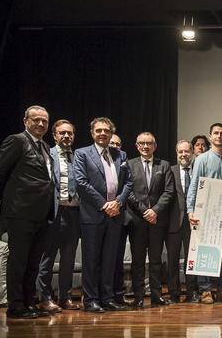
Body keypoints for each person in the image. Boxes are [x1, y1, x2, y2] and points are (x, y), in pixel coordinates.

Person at [0, 105, 56, 318]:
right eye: (36, 120)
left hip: (41, 213)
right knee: (19, 260)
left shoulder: (45, 146)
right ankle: (16, 305)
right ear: (26, 121)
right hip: (20, 212)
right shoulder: (17, 141)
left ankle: (29, 301)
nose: (41, 124)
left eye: (44, 121)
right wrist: (0, 199)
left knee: (33, 262)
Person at [74, 117, 134, 312]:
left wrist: (118, 202)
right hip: (93, 215)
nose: (102, 133)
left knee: (110, 260)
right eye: (98, 130)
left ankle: (107, 298)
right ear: (92, 133)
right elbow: (81, 183)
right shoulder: (82, 153)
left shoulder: (121, 155)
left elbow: (129, 183)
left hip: (115, 214)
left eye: (106, 131)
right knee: (92, 260)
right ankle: (91, 300)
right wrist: (104, 204)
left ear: (111, 133)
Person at [36, 119, 82, 313]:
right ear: (54, 135)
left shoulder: (79, 157)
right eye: (62, 133)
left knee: (68, 259)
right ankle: (45, 298)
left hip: (74, 212)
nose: (66, 136)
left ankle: (65, 297)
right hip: (54, 212)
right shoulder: (48, 153)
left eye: (69, 133)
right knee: (47, 258)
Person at [186, 123, 222, 303]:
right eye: (216, 133)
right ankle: (205, 290)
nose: (219, 136)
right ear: (210, 137)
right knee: (205, 251)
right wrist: (190, 211)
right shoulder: (202, 159)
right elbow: (193, 186)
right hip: (207, 212)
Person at [125, 132, 175, 308]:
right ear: (137, 146)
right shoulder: (129, 164)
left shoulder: (164, 165)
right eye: (142, 143)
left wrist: (155, 211)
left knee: (155, 261)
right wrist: (144, 211)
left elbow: (169, 191)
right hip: (137, 221)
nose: (145, 146)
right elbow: (128, 191)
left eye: (149, 143)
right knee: (138, 261)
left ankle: (156, 295)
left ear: (155, 146)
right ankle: (138, 297)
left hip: (157, 221)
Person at [165, 140, 201, 303]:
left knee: (191, 259)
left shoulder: (198, 171)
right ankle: (174, 293)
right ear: (176, 153)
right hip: (173, 222)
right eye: (180, 152)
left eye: (187, 151)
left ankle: (192, 292)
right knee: (172, 259)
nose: (184, 155)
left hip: (194, 222)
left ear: (192, 152)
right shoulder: (169, 170)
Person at [109, 133, 130, 306]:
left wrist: (118, 202)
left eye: (118, 143)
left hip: (119, 215)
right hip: (100, 213)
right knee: (99, 259)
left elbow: (128, 185)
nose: (114, 146)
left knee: (117, 259)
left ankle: (118, 294)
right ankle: (98, 295)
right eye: (111, 143)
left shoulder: (122, 159)